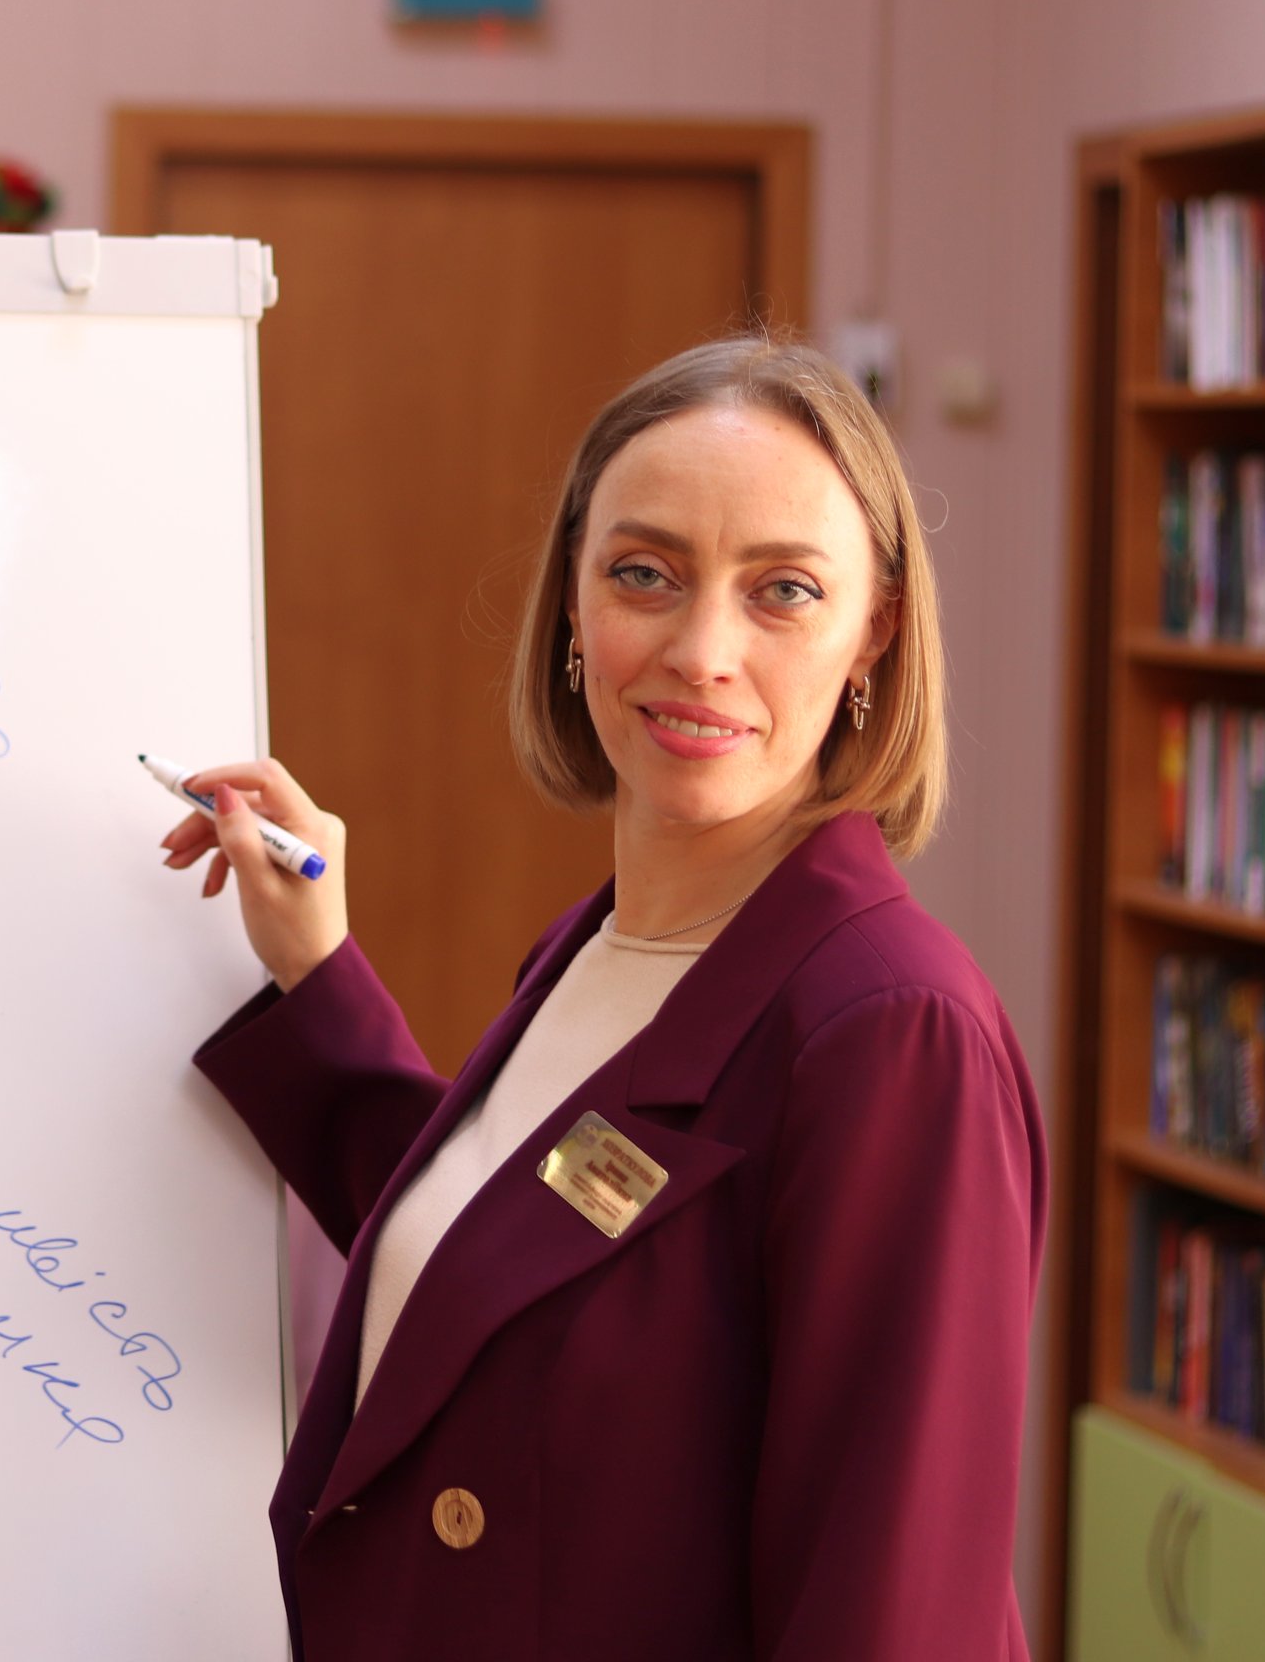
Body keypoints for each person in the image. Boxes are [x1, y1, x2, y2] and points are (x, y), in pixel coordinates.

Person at [163, 331, 1044, 1660]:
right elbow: (509, 1290)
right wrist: (317, 973)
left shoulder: (892, 1033)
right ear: (574, 602)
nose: (702, 650)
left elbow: (891, 1617)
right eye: (646, 574)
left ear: (875, 631)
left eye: (784, 591)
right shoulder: (596, 950)